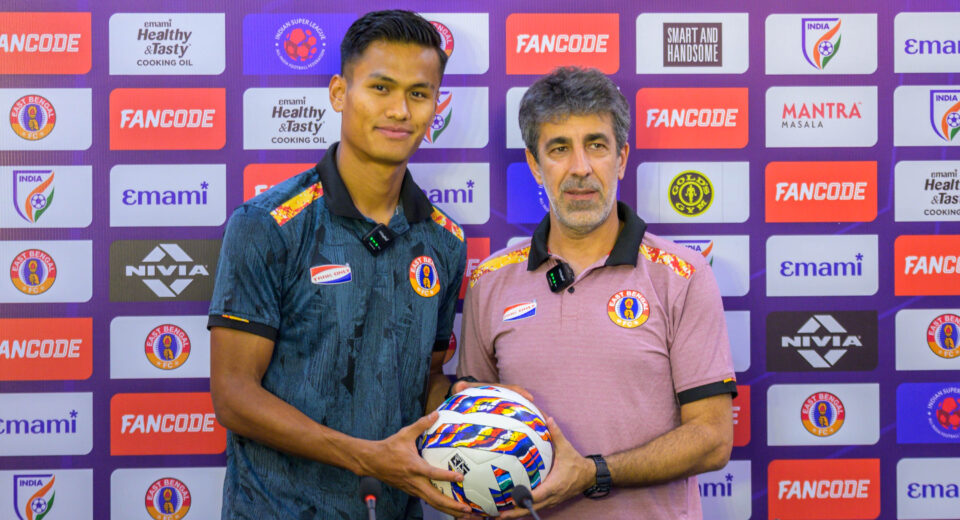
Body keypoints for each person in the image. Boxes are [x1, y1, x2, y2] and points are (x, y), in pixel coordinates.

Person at [207, 10, 475, 519]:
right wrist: (367, 457)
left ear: (435, 107)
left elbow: (425, 376)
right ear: (338, 93)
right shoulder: (267, 224)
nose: (400, 110)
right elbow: (234, 396)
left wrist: (470, 404)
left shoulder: (445, 241)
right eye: (381, 87)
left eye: (418, 94)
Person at [454, 67, 737, 519]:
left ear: (621, 158)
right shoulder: (490, 281)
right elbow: (470, 429)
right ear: (534, 164)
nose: (580, 168)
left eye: (596, 146)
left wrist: (593, 473)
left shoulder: (683, 275)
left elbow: (712, 439)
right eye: (559, 148)